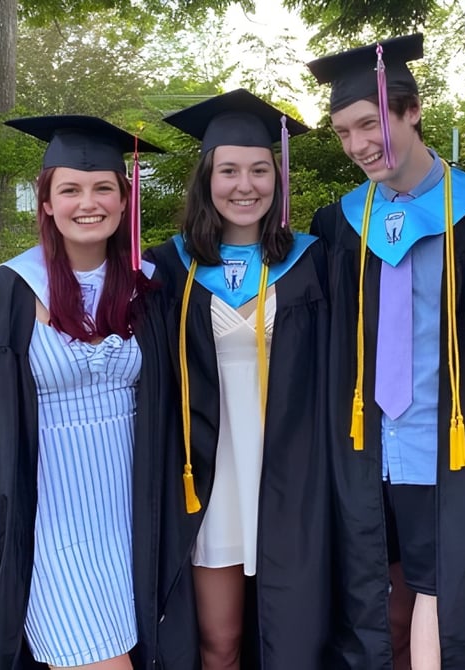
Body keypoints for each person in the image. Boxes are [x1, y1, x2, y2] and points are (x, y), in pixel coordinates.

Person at [306, 34, 465, 670]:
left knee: (450, 599)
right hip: (366, 453)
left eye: (369, 122)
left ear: (411, 110)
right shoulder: (340, 223)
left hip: (453, 450)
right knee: (380, 606)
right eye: (343, 130)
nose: (356, 144)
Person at [0, 115, 161, 669]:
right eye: (70, 189)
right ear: (45, 204)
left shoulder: (150, 287)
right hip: (49, 527)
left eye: (103, 187)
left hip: (132, 519)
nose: (89, 202)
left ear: (124, 198)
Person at [139, 89, 330, 670]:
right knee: (218, 643)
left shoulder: (316, 261)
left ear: (278, 177)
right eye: (228, 170)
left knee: (293, 641)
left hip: (294, 478)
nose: (245, 185)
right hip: (209, 479)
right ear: (206, 179)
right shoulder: (168, 267)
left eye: (259, 169)